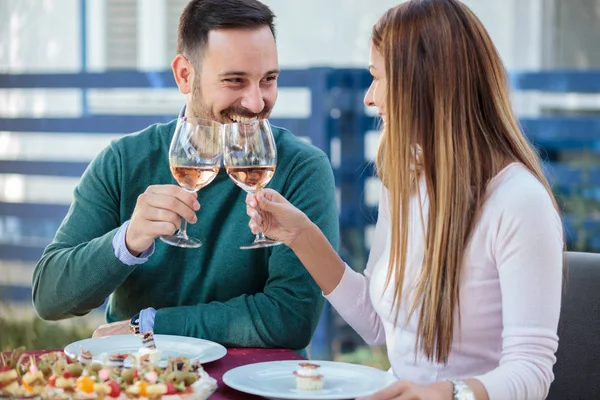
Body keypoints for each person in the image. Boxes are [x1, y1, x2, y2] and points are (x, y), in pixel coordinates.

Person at [245, 0, 563, 399]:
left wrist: (448, 393)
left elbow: (532, 372)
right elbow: (379, 325)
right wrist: (301, 236)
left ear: (426, 85)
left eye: (378, 78)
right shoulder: (408, 181)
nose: (369, 98)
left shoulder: (519, 203)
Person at [31, 0, 339, 352]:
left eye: (268, 79)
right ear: (184, 75)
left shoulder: (302, 169)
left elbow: (290, 318)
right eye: (235, 80)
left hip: (255, 385)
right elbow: (50, 297)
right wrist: (129, 240)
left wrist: (150, 325)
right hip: (143, 384)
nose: (256, 103)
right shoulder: (124, 161)